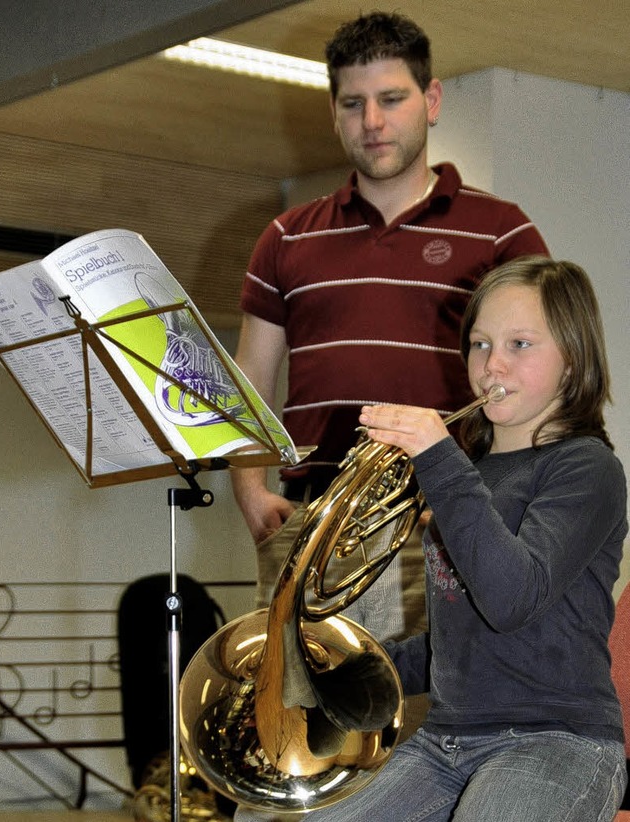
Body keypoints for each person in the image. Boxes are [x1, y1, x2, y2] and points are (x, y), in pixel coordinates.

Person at [231, 11, 548, 645]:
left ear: (430, 101)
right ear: (334, 112)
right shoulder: (286, 237)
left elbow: (538, 379)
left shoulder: (501, 230)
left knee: (429, 726)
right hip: (311, 523)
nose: (371, 122)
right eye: (353, 103)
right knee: (306, 728)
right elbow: (251, 385)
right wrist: (249, 490)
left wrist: (488, 498)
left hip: (442, 522)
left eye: (391, 98)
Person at [296, 256, 628, 822]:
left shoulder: (587, 468)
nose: (492, 364)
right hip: (445, 743)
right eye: (479, 344)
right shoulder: (468, 470)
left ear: (573, 361)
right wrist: (336, 669)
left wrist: (440, 461)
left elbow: (511, 600)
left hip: (558, 743)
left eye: (520, 344)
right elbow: (462, 639)